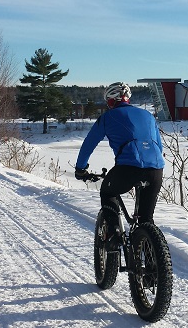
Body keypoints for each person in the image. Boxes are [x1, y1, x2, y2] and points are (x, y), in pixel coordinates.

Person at [75, 82, 165, 250]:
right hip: (156, 170)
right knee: (146, 219)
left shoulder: (108, 117)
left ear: (111, 101)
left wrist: (81, 168)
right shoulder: (148, 116)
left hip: (127, 169)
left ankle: (112, 234)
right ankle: (151, 266)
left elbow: (89, 144)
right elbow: (159, 147)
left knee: (108, 191)